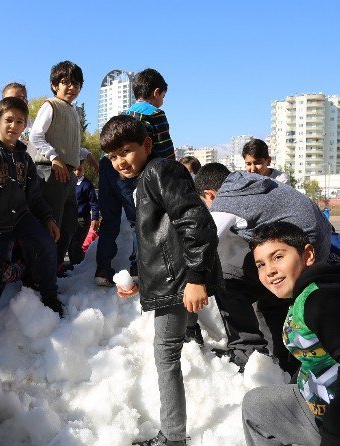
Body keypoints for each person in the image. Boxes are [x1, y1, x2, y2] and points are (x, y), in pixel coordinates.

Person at [101, 116, 223, 446]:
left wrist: (196, 278)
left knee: (165, 355)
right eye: (112, 156)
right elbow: (159, 242)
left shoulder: (160, 172)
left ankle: (172, 437)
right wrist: (143, 278)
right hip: (172, 280)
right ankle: (173, 434)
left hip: (180, 282)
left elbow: (197, 222)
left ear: (147, 145)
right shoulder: (145, 180)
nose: (120, 162)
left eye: (126, 151)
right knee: (167, 353)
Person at [243, 222, 340, 446]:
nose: (269, 270)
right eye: (260, 264)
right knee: (256, 404)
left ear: (307, 255)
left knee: (257, 408)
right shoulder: (306, 294)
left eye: (278, 257)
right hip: (320, 403)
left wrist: (335, 436)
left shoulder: (322, 300)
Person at [195, 162, 331, 373]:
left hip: (296, 254)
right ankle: (285, 357)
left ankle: (246, 353)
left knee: (226, 277)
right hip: (315, 253)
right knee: (265, 292)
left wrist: (193, 280)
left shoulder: (225, 199)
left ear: (209, 194)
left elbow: (204, 244)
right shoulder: (253, 184)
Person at [0, 97, 63, 340]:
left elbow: (34, 195)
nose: (13, 126)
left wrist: (48, 219)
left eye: (19, 121)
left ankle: (49, 298)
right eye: (8, 120)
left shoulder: (25, 158)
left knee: (46, 244)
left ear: (25, 125)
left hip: (21, 218)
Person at [95, 68, 175, 287]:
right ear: (157, 92)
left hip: (108, 166)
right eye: (163, 97)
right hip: (130, 172)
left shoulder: (123, 114)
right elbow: (165, 150)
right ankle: (137, 268)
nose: (162, 101)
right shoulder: (155, 114)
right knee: (139, 220)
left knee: (109, 220)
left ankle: (102, 269)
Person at [29, 60, 84, 273]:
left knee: (69, 224)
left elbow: (69, 143)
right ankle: (40, 274)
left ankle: (55, 267)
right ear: (54, 85)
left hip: (67, 174)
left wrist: (85, 158)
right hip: (50, 172)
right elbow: (35, 135)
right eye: (66, 82)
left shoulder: (72, 110)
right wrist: (54, 157)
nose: (71, 87)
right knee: (51, 225)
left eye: (76, 83)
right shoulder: (50, 105)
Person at [68, 161, 99, 267]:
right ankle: (73, 266)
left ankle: (79, 266)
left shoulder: (87, 184)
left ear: (83, 169)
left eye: (79, 170)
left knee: (76, 244)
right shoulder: (70, 182)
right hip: (70, 218)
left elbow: (94, 202)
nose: (77, 172)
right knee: (70, 243)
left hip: (82, 219)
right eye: (75, 170)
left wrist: (95, 218)